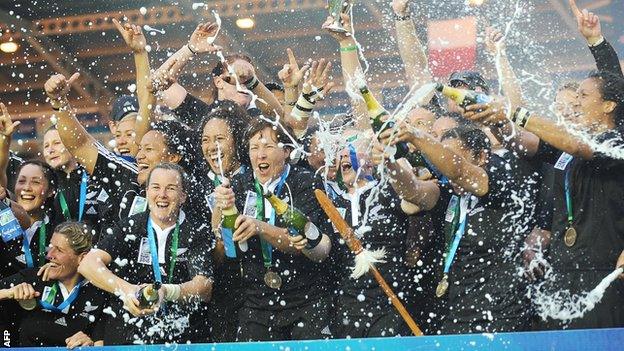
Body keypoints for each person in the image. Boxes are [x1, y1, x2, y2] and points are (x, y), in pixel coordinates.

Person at [392, 124, 535, 333]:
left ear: (481, 157)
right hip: (455, 315)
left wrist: (415, 136)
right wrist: (389, 162)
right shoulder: (450, 192)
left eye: (450, 156)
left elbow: (459, 171)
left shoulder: (501, 176)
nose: (444, 166)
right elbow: (413, 192)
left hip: (502, 315)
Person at [214, 119, 333, 341]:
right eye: (254, 148)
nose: (260, 155)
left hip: (305, 300)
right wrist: (222, 210)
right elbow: (232, 251)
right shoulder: (239, 184)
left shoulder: (304, 182)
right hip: (256, 302)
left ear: (286, 151)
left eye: (268, 147)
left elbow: (303, 242)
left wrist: (260, 227)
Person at [78, 163, 214, 344]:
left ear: (183, 196)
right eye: (156, 187)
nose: (162, 195)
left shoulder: (196, 231)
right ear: (147, 191)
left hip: (182, 335)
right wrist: (127, 290)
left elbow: (204, 286)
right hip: (127, 333)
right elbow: (88, 264)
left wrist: (167, 292)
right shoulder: (129, 226)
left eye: (171, 188)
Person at [327, 128, 439, 338]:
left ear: (371, 158)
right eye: (341, 149)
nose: (344, 154)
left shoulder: (385, 189)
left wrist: (395, 167)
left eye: (353, 147)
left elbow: (413, 204)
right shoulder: (331, 198)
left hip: (389, 301)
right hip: (346, 304)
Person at [0, 222, 109, 348]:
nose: (49, 255)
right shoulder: (33, 278)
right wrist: (8, 293)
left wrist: (88, 344)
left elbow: (101, 344)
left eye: (59, 250)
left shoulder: (98, 294)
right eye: (51, 247)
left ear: (82, 258)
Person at [43, 125, 106, 239]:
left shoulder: (96, 177)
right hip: (55, 253)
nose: (51, 150)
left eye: (57, 143)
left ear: (73, 144)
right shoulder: (44, 183)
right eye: (46, 146)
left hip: (93, 253)